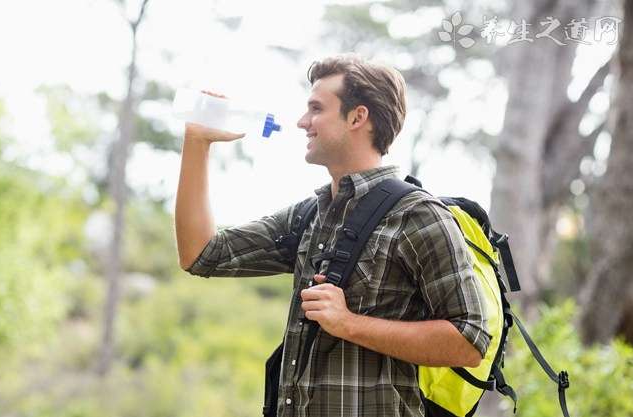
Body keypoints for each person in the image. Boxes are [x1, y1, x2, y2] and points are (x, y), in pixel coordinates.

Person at [175, 54, 490, 417]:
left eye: (316, 109)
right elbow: (201, 255)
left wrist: (348, 323)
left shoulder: (418, 216)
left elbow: (470, 340)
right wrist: (197, 143)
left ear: (358, 117)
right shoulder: (308, 215)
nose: (301, 122)